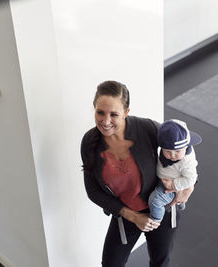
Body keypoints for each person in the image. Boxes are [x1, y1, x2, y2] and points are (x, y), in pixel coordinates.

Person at [80, 81, 195, 267]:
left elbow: (183, 142)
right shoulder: (89, 142)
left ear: (126, 112)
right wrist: (133, 217)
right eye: (100, 112)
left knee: (160, 262)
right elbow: (93, 191)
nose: (106, 121)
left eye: (114, 114)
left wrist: (188, 186)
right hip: (126, 214)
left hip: (162, 211)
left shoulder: (147, 128)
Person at [148, 119, 202, 223]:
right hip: (165, 178)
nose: (172, 155)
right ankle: (181, 203)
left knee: (155, 201)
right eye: (168, 151)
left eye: (177, 151)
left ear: (186, 147)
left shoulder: (186, 161)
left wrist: (174, 184)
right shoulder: (167, 147)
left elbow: (191, 178)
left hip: (172, 186)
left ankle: (155, 220)